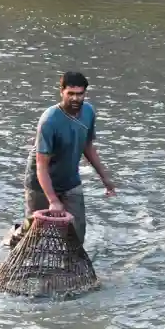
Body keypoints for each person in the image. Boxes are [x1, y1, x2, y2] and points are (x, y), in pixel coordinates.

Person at [17, 72, 116, 246]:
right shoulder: (49, 121)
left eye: (80, 94)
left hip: (69, 180)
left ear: (85, 93)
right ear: (61, 92)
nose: (75, 99)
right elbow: (41, 166)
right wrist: (53, 200)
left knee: (77, 231)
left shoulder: (88, 112)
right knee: (33, 234)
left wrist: (105, 178)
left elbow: (88, 147)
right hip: (41, 183)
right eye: (70, 93)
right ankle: (15, 237)